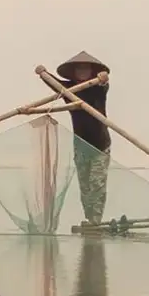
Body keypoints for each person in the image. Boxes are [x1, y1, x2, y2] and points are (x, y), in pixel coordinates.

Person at [53, 50, 112, 229]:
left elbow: (104, 84)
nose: (82, 72)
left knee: (97, 183)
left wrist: (103, 77)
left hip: (100, 144)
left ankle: (96, 220)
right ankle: (90, 219)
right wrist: (42, 73)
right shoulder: (69, 90)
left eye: (86, 69)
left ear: (91, 71)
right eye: (79, 69)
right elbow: (53, 83)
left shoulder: (97, 87)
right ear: (74, 72)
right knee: (85, 184)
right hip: (81, 144)